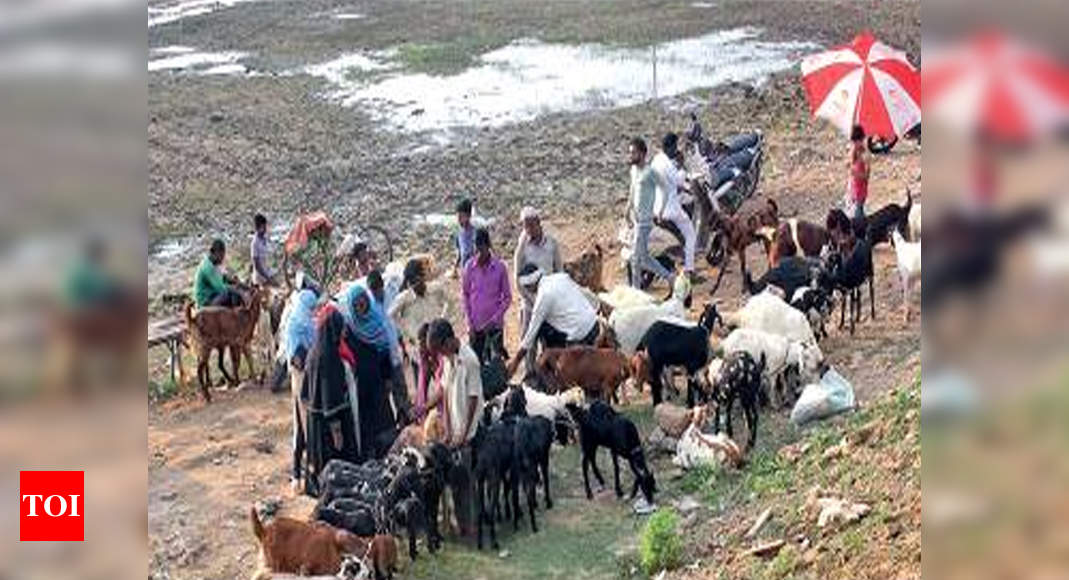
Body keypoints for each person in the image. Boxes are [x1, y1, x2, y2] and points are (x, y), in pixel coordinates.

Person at [423, 319, 483, 537]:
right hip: (455, 429)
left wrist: (464, 434)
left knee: (467, 480)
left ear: (449, 341)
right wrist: (447, 428)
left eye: (440, 349)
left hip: (469, 431)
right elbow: (446, 393)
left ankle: (473, 526)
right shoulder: (448, 360)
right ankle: (462, 525)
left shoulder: (469, 361)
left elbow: (473, 400)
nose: (440, 354)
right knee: (455, 479)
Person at [340, 283, 406, 452]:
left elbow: (385, 352)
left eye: (364, 303)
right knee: (365, 426)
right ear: (351, 307)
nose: (361, 308)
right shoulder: (349, 329)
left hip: (378, 383)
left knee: (384, 423)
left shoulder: (376, 321)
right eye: (357, 305)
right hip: (360, 386)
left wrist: (389, 378)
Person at [301, 306, 361, 496]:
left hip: (315, 421)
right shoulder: (329, 357)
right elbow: (330, 396)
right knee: (335, 467)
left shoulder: (313, 353)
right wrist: (337, 431)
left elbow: (305, 394)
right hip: (329, 425)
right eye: (341, 327)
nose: (344, 332)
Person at [505, 265, 598, 378]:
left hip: (580, 335)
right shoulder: (561, 277)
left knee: (548, 354)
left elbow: (530, 335)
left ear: (529, 286)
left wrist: (515, 361)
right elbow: (585, 294)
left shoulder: (543, 297)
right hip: (594, 324)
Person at [389, 258, 453, 388]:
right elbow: (391, 314)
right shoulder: (404, 298)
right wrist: (407, 333)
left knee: (445, 380)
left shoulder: (434, 288)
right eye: (413, 283)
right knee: (422, 385)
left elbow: (450, 301)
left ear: (423, 278)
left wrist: (442, 319)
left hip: (438, 342)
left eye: (419, 281)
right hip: (419, 347)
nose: (417, 286)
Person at [512, 206, 563, 370]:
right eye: (525, 226)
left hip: (549, 303)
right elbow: (517, 279)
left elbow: (559, 272)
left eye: (531, 225)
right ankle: (530, 378)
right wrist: (532, 301)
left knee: (550, 344)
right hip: (529, 304)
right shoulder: (522, 246)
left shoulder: (551, 243)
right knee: (528, 344)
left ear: (538, 223)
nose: (528, 230)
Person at [628, 137, 675, 290]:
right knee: (644, 258)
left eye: (634, 153)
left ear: (642, 154)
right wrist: (627, 209)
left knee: (636, 259)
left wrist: (660, 211)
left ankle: (635, 291)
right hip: (635, 220)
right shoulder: (634, 170)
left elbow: (665, 189)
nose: (631, 156)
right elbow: (632, 190)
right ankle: (669, 277)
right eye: (630, 153)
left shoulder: (650, 172)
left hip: (645, 221)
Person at [283, 289, 318, 492]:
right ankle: (296, 474)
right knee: (301, 426)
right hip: (301, 379)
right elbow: (297, 358)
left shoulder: (310, 324)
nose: (312, 312)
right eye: (310, 309)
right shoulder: (294, 326)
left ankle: (308, 473)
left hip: (311, 378)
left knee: (312, 426)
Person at [651, 133, 697, 279]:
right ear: (670, 147)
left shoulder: (656, 160)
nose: (676, 149)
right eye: (675, 146)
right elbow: (678, 180)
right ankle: (689, 270)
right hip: (670, 210)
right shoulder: (669, 165)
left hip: (656, 207)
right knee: (690, 234)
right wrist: (682, 165)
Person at [462, 228, 511, 363]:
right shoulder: (469, 267)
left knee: (496, 366)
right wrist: (469, 324)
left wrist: (495, 319)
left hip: (494, 328)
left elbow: (507, 297)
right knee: (476, 364)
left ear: (488, 246)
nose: (478, 254)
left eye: (481, 249)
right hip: (475, 327)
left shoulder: (500, 267)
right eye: (476, 250)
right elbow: (465, 295)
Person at [193, 239, 242, 307]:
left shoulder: (213, 263)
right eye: (221, 256)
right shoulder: (208, 267)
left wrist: (231, 280)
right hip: (204, 301)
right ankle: (234, 315)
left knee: (233, 292)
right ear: (215, 253)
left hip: (211, 295)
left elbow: (220, 277)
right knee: (230, 294)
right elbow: (220, 288)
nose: (222, 259)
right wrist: (235, 288)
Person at [848, 125, 870, 221]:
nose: (855, 144)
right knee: (856, 211)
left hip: (860, 191)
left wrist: (856, 174)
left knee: (858, 214)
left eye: (856, 142)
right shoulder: (854, 152)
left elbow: (867, 176)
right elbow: (850, 166)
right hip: (854, 188)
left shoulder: (865, 155)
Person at [250, 213, 277, 286]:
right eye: (264, 227)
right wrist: (268, 278)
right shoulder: (255, 243)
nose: (265, 229)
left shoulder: (264, 238)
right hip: (261, 277)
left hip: (267, 271)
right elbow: (257, 266)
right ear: (259, 227)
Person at [453, 198, 476, 277]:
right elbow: (459, 253)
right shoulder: (458, 234)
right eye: (458, 217)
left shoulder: (475, 233)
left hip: (476, 271)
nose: (459, 220)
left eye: (461, 217)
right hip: (465, 272)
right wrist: (454, 268)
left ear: (469, 216)